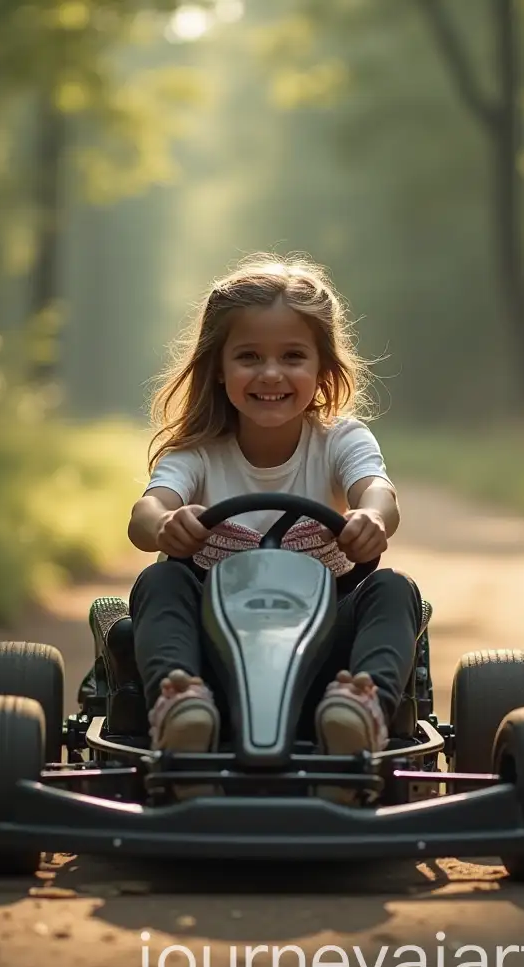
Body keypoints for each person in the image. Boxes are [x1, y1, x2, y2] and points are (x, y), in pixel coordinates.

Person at [126, 253, 423, 777]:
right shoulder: (196, 453)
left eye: (292, 356)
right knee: (163, 582)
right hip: (215, 659)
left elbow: (377, 490)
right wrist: (165, 526)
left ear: (321, 368)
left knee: (394, 589)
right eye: (248, 357)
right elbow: (146, 512)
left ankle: (362, 708)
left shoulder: (339, 440)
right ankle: (181, 703)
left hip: (325, 653)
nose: (270, 374)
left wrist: (371, 518)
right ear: (218, 368)